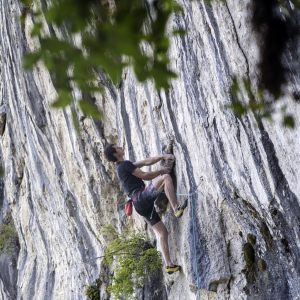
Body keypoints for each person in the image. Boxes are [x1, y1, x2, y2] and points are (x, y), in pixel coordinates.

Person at [104, 144, 188, 274]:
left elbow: (145, 162)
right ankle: (176, 209)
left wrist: (162, 156)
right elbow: (145, 176)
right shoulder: (124, 165)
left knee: (162, 233)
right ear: (115, 154)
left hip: (139, 206)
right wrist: (162, 172)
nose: (120, 147)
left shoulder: (121, 167)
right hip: (141, 198)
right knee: (165, 178)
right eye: (117, 147)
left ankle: (169, 264)